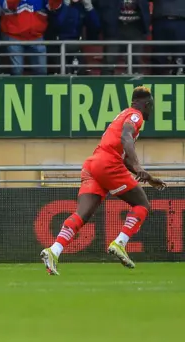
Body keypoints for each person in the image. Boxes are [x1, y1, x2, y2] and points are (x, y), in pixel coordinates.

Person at [40, 86, 167, 275]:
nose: (151, 111)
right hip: (108, 163)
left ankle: (54, 250)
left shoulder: (123, 113)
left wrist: (147, 177)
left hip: (93, 164)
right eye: (151, 106)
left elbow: (124, 155)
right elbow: (126, 137)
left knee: (82, 215)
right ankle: (120, 243)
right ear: (146, 104)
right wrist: (139, 167)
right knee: (142, 204)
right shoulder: (135, 115)